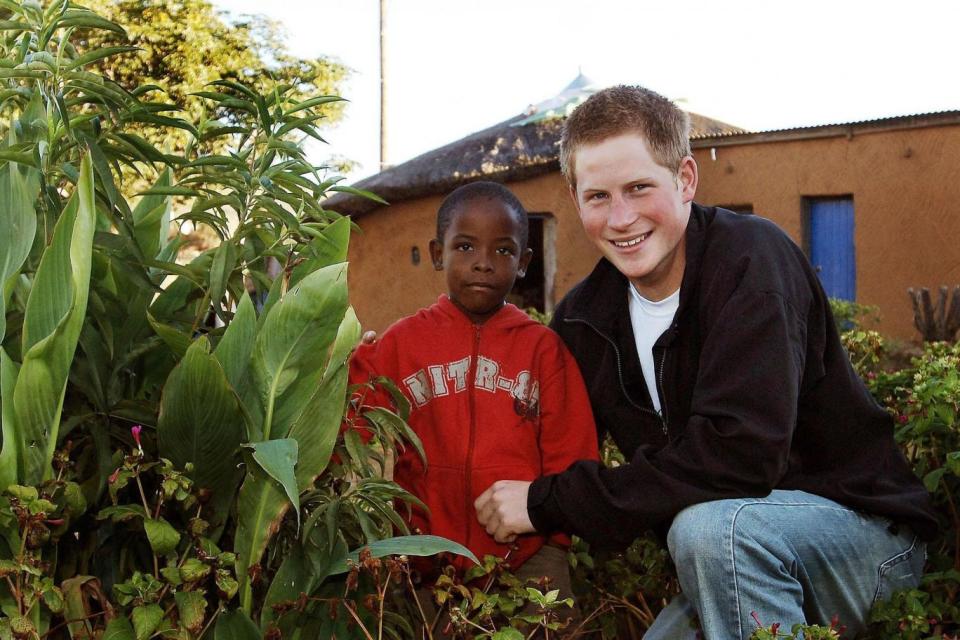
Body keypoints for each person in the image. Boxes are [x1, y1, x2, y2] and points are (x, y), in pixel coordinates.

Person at [474, 86, 938, 639]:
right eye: (598, 196)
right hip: (734, 557)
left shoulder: (751, 262)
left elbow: (739, 457)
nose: (621, 218)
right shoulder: (584, 319)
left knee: (712, 529)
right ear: (575, 200)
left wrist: (547, 503)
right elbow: (546, 436)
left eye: (639, 188)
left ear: (686, 179)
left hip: (865, 536)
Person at [349, 181, 599, 606]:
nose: (483, 263)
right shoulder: (400, 344)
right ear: (436, 253)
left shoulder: (543, 349)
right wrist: (348, 364)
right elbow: (358, 428)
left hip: (527, 558)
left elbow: (572, 455)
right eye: (465, 247)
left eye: (503, 251)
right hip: (418, 560)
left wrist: (554, 539)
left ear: (524, 261)